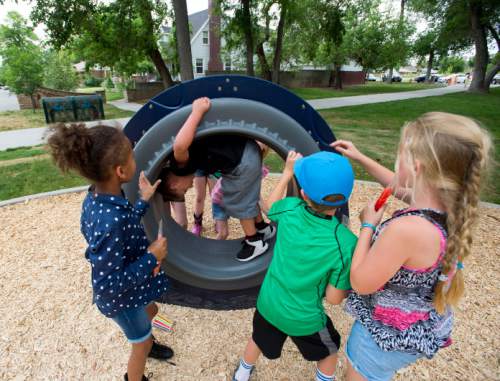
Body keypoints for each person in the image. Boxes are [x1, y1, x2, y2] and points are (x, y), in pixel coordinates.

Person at [331, 112, 492, 381]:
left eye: (399, 156)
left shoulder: (407, 231)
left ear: (417, 167)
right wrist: (360, 157)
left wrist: (367, 227)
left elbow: (360, 282)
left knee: (361, 374)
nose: (396, 165)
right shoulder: (448, 207)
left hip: (383, 338)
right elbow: (399, 187)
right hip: (417, 322)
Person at [47, 123, 174, 381]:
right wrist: (151, 256)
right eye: (131, 153)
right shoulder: (109, 220)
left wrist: (143, 200)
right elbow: (107, 285)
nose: (134, 156)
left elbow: (123, 222)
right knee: (139, 344)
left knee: (152, 312)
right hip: (121, 300)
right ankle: (137, 370)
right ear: (120, 170)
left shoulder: (97, 198)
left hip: (133, 285)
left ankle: (147, 339)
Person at [232, 151, 358, 381]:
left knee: (258, 338)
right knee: (329, 351)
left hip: (268, 303)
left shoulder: (290, 208)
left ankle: (241, 373)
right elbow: (333, 298)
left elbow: (269, 207)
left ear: (302, 193)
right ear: (346, 196)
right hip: (304, 318)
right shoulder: (346, 243)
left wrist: (288, 172)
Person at [157, 97, 275, 261]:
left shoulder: (180, 166)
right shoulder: (187, 166)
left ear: (174, 183)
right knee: (246, 197)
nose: (189, 187)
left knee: (236, 201)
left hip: (242, 161)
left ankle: (254, 241)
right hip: (246, 155)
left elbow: (179, 146)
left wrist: (197, 112)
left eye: (184, 189)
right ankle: (262, 228)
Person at [191, 169, 229, 240]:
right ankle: (197, 223)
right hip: (199, 166)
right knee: (199, 197)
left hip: (213, 166)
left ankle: (218, 221)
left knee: (215, 196)